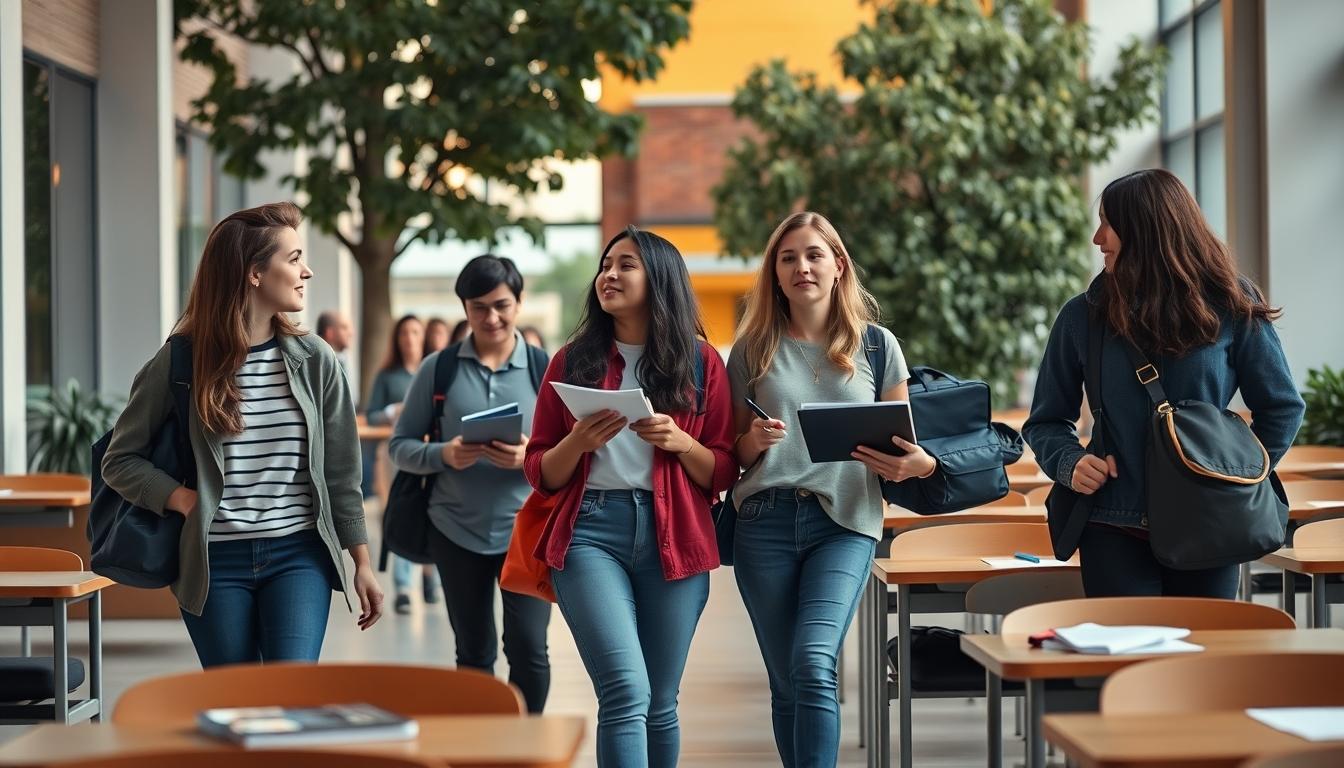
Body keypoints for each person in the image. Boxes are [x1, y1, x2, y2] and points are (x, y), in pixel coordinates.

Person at [102, 202, 383, 667]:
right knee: (237, 703)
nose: (306, 271)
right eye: (293, 259)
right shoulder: (179, 364)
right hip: (214, 563)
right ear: (254, 273)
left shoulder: (316, 361)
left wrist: (363, 563)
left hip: (298, 554)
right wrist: (183, 500)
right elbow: (119, 459)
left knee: (290, 691)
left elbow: (341, 474)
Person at [1023, 168, 1304, 598]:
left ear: (1147, 230)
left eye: (1108, 223)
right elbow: (1045, 422)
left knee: (1205, 662)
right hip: (1110, 523)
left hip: (1212, 524)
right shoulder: (1082, 316)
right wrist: (1070, 463)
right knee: (1124, 661)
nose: (1098, 239)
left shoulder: (1233, 304)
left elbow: (1283, 407)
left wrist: (1236, 478)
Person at [726, 211, 933, 767]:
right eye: (787, 257)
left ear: (838, 265)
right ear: (775, 272)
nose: (801, 267)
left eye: (814, 254)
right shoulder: (750, 349)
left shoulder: (877, 346)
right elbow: (731, 457)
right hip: (763, 519)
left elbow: (904, 442)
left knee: (814, 662)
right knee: (786, 680)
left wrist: (908, 464)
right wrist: (754, 440)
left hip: (843, 522)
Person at [524, 227, 737, 767]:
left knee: (661, 703)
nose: (609, 275)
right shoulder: (571, 362)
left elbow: (723, 470)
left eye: (626, 265)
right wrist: (577, 441)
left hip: (678, 536)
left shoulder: (701, 363)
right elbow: (540, 471)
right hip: (590, 533)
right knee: (624, 691)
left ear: (659, 279)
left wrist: (682, 442)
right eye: (605, 264)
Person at [389, 255, 553, 713]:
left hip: (527, 532)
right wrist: (443, 454)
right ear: (465, 308)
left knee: (529, 649)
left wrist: (530, 459)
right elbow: (399, 446)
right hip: (454, 530)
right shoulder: (438, 370)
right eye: (478, 307)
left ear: (519, 303)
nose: (491, 317)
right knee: (474, 652)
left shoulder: (547, 369)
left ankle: (530, 744)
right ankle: (483, 748)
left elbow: (573, 455)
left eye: (501, 304)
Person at [367, 314, 442, 614]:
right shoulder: (388, 376)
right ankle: (402, 587)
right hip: (398, 456)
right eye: (404, 333)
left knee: (435, 512)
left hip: (433, 453)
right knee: (403, 511)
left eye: (415, 332)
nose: (410, 338)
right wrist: (391, 411)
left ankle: (430, 577)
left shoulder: (434, 369)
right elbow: (371, 414)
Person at [316, 309, 357, 402]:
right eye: (344, 328)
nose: (351, 333)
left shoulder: (345, 359)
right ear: (329, 333)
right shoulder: (317, 364)